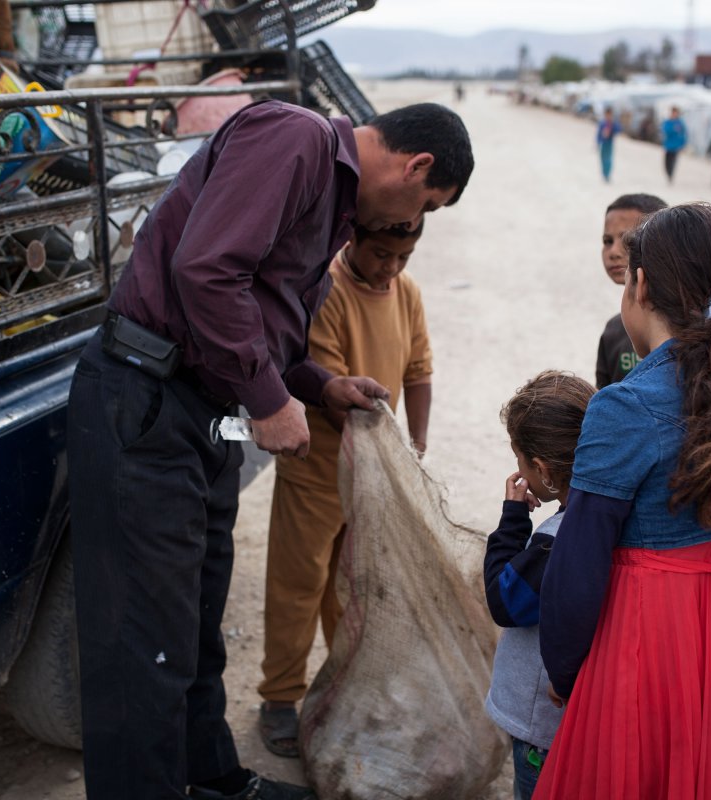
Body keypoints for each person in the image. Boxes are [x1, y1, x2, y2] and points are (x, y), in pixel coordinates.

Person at [66, 100, 473, 800]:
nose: (411, 225)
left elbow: (259, 315)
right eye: (424, 205)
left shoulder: (334, 205)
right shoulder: (299, 139)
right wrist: (268, 398)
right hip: (147, 401)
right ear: (417, 166)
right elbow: (205, 269)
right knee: (145, 638)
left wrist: (316, 384)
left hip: (199, 410)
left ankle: (210, 778)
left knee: (191, 622)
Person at [534, 202, 711, 799]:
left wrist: (566, 669)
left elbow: (577, 565)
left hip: (640, 637)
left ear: (638, 283)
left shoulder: (624, 405)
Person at [257, 219, 434, 758]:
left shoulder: (405, 293)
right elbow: (327, 390)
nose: (390, 268)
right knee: (298, 584)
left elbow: (420, 369)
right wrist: (376, 448)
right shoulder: (329, 291)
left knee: (353, 586)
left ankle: (345, 688)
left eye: (402, 257)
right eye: (381, 254)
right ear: (351, 241)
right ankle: (280, 698)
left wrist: (416, 449)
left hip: (371, 474)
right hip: (315, 468)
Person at [483, 371, 595, 800]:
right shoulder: (606, 517)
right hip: (581, 713)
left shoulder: (554, 542)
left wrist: (512, 522)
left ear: (544, 470)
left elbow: (504, 600)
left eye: (521, 459)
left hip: (541, 724)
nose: (519, 470)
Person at [596, 193, 667, 389]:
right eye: (607, 241)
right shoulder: (613, 331)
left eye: (628, 241)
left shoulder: (690, 331)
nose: (613, 252)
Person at [660, 106, 687, 184]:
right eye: (673, 112)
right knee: (666, 163)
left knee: (673, 162)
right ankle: (668, 174)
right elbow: (665, 131)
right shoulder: (668, 122)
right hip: (668, 146)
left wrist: (682, 144)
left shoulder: (680, 123)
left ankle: (670, 176)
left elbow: (684, 134)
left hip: (676, 147)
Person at [595, 107, 621, 183]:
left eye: (610, 115)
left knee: (608, 159)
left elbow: (619, 130)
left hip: (609, 143)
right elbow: (598, 134)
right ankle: (604, 174)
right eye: (607, 115)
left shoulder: (613, 123)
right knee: (602, 159)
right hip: (603, 143)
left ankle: (607, 174)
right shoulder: (602, 123)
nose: (608, 116)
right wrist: (598, 142)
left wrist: (613, 127)